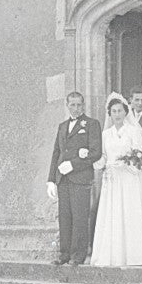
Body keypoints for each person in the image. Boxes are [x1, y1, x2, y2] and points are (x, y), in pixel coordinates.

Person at [88, 93, 142, 267]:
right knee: (112, 214)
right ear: (110, 114)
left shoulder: (133, 131)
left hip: (128, 178)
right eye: (114, 111)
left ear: (126, 112)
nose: (117, 114)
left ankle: (133, 255)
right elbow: (103, 156)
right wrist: (92, 162)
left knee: (129, 214)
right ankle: (112, 256)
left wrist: (126, 164)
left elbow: (139, 156)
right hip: (112, 180)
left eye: (120, 111)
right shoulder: (106, 134)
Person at [46, 91, 102, 266]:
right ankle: (64, 254)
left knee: (79, 217)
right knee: (65, 217)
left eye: (79, 105)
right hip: (63, 178)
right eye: (72, 105)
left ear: (83, 105)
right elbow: (57, 153)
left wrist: (74, 164)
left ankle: (78, 255)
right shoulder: (62, 126)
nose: (76, 108)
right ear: (67, 105)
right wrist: (51, 179)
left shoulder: (91, 124)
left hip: (80, 178)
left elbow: (95, 153)